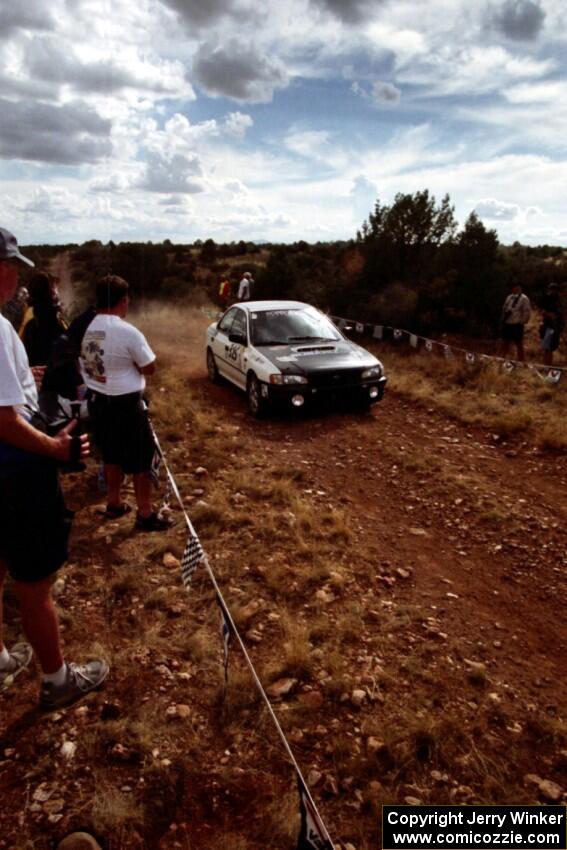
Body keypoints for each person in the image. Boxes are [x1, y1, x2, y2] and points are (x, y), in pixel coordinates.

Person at [0, 226, 109, 709]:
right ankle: (57, 680)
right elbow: (4, 421)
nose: (17, 279)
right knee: (34, 582)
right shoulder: (0, 328)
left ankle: (1, 659)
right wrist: (55, 449)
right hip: (16, 473)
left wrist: (24, 377)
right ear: (2, 271)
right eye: (13, 269)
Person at [81, 274, 171, 531]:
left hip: (98, 402)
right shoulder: (127, 331)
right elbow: (150, 367)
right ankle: (145, 513)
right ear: (123, 301)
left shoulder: (89, 329)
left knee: (111, 455)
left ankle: (115, 502)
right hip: (126, 405)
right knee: (141, 460)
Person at [500, 282, 531, 362]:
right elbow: (504, 308)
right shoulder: (509, 297)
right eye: (513, 287)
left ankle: (521, 361)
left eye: (517, 287)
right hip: (508, 323)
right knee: (505, 342)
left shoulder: (524, 298)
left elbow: (526, 311)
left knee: (519, 343)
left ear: (520, 288)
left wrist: (522, 322)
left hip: (517, 324)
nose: (515, 289)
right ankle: (503, 359)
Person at [539, 282, 563, 366]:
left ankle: (548, 364)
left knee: (551, 347)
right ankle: (545, 364)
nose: (552, 291)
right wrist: (547, 314)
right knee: (546, 346)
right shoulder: (547, 298)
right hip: (548, 324)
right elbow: (542, 310)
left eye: (554, 290)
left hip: (555, 325)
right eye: (551, 289)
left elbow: (561, 312)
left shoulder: (559, 300)